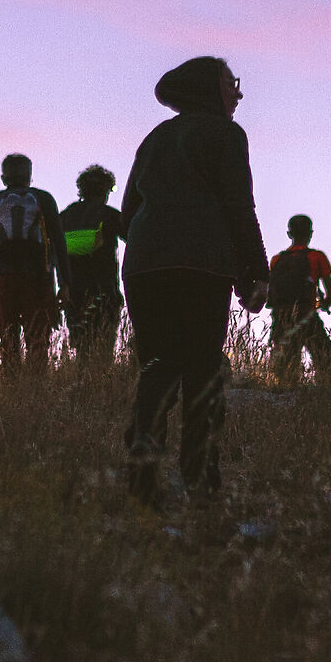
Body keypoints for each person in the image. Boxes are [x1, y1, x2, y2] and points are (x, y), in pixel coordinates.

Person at [119, 55, 267, 504]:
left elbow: (127, 215)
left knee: (157, 366)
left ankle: (143, 475)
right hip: (201, 263)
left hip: (143, 264)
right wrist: (256, 271)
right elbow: (239, 205)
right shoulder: (226, 134)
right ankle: (200, 481)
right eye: (230, 83)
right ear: (209, 88)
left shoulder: (155, 138)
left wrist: (156, 239)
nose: (237, 93)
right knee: (203, 369)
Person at [0, 154, 65, 372]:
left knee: (8, 335)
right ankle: (36, 385)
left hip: (1, 277)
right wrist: (65, 282)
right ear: (30, 176)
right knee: (38, 336)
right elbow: (58, 243)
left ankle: (11, 384)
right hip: (38, 276)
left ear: (3, 177)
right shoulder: (44, 199)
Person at [60, 165, 126, 367]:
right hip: (104, 290)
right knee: (104, 348)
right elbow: (134, 238)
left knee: (81, 348)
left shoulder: (64, 216)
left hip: (73, 292)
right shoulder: (110, 215)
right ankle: (100, 387)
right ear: (105, 190)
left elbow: (54, 254)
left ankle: (82, 387)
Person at [267, 214, 331, 385]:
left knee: (286, 363)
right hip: (306, 316)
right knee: (325, 353)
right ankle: (325, 390)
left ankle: (283, 393)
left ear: (289, 234)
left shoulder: (276, 260)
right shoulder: (317, 257)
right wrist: (322, 304)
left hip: (281, 317)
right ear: (310, 233)